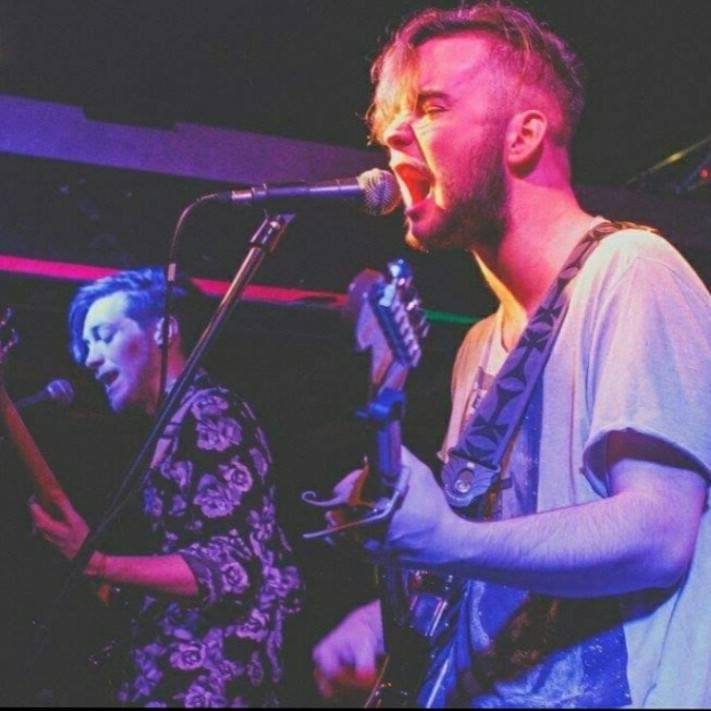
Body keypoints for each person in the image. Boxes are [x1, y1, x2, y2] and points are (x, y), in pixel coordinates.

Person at [312, 2, 711, 707]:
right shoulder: (477, 345)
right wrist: (381, 612)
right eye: (394, 116)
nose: (396, 134)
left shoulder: (630, 270)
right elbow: (504, 557)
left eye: (431, 106)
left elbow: (658, 533)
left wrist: (446, 539)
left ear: (524, 135)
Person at [30, 267, 302, 707]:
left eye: (103, 336)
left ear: (164, 331)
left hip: (205, 684)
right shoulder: (173, 426)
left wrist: (99, 564)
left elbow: (232, 567)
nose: (90, 359)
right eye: (87, 346)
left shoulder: (209, 412)